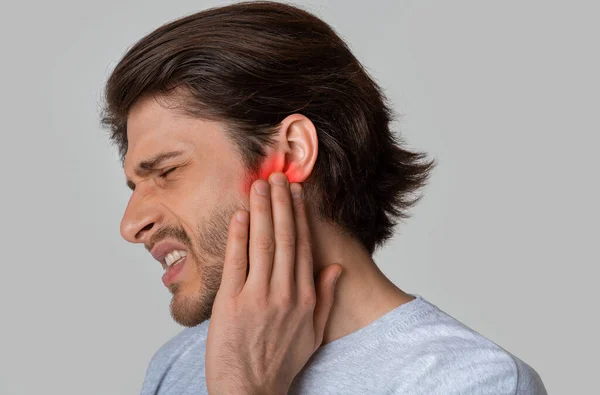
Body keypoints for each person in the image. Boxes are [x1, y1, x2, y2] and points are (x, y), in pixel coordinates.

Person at [100, 1, 547, 394]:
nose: (131, 224)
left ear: (292, 153)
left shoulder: (468, 382)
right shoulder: (176, 366)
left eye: (168, 171)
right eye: (134, 187)